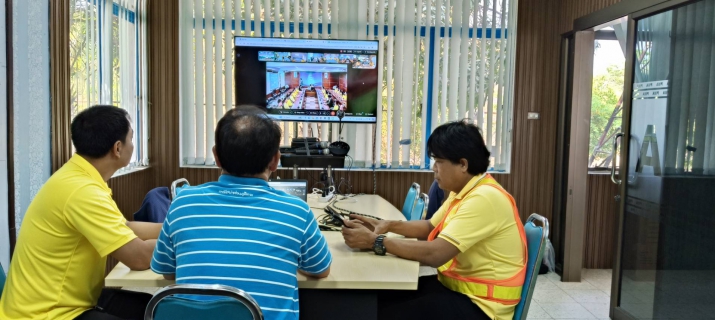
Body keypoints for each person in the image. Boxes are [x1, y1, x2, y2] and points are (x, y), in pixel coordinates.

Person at [151, 105, 332, 320]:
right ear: (275, 160)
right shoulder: (296, 212)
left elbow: (168, 272)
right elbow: (320, 270)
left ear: (216, 156)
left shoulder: (182, 203)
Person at [341, 120, 527, 320]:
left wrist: (375, 242)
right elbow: (429, 225)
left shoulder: (484, 198)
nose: (433, 168)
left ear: (463, 164)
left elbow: (436, 254)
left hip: (482, 308)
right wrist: (387, 225)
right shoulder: (465, 192)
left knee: (376, 312)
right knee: (377, 298)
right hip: (459, 289)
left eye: (439, 161)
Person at [0, 105, 162, 320]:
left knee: (163, 308)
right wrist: (193, 240)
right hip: (46, 314)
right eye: (131, 139)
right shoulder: (82, 191)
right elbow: (139, 257)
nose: (133, 144)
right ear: (118, 148)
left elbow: (125, 228)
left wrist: (179, 226)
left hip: (68, 304)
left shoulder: (80, 177)